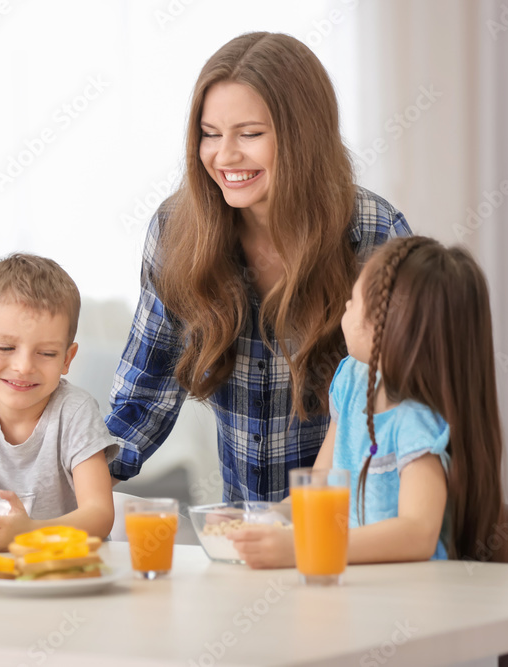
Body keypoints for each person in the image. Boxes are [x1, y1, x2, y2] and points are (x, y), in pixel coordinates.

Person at [107, 32, 411, 502]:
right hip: (248, 539)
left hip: (359, 529)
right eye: (210, 134)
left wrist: (300, 519)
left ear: (302, 135)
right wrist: (62, 494)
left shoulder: (374, 232)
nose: (225, 156)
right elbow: (143, 396)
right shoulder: (176, 231)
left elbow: (405, 402)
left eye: (249, 134)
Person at [231, 236, 508, 567]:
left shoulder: (416, 422)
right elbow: (319, 485)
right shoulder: (351, 380)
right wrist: (258, 521)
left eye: (354, 300)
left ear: (389, 327)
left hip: (408, 600)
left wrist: (305, 547)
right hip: (356, 588)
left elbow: (418, 533)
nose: (346, 307)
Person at [0, 253, 118, 552]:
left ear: (67, 359)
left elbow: (100, 515)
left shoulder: (76, 412)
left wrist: (29, 532)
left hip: (67, 567)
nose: (24, 366)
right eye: (6, 347)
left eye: (47, 353)